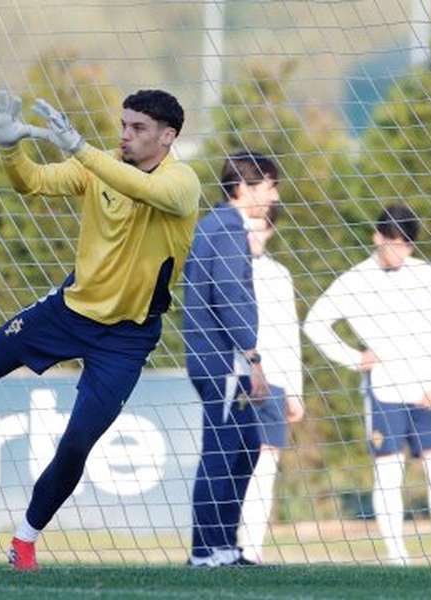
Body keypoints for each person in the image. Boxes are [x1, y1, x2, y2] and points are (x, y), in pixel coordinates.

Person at [0, 89, 199, 570]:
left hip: (128, 337)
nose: (126, 135)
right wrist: (10, 147)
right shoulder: (98, 164)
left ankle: (25, 539)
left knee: (77, 444)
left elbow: (148, 191)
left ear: (168, 136)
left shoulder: (182, 181)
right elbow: (30, 182)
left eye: (138, 128)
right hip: (70, 311)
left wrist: (80, 150)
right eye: (124, 125)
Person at [303, 204, 431, 568]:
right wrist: (354, 357)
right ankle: (397, 556)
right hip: (384, 391)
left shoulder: (425, 275)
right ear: (377, 238)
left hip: (427, 392)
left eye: (408, 246)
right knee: (388, 472)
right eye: (395, 243)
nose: (401, 252)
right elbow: (315, 323)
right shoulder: (355, 280)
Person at [182, 151, 279, 567]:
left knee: (247, 448)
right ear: (243, 188)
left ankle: (224, 545)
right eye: (269, 186)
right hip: (223, 362)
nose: (275, 196)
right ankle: (205, 552)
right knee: (221, 453)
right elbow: (230, 296)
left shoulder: (221, 225)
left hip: (227, 361)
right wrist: (252, 357)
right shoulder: (225, 228)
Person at [237, 207, 304, 564]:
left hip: (274, 380)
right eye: (249, 228)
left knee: (266, 464)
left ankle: (252, 546)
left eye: (261, 229)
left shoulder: (280, 275)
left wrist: (295, 390)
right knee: (231, 461)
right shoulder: (230, 269)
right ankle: (219, 542)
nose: (255, 235)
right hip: (236, 377)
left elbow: (289, 333)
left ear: (271, 231)